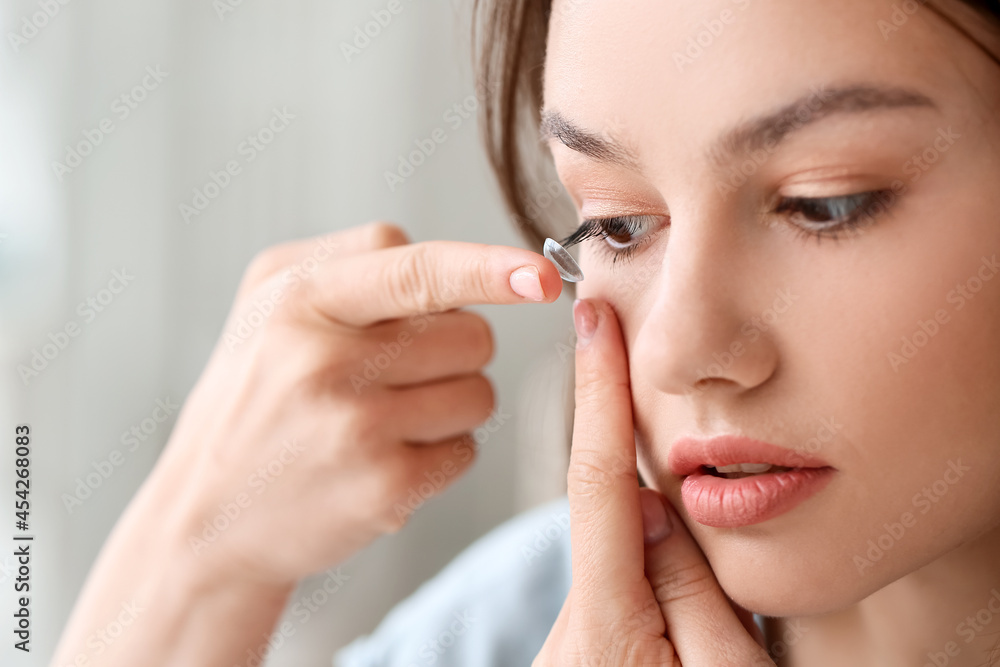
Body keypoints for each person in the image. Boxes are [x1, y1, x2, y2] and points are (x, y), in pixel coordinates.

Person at [51, 0, 1000, 665]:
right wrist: (198, 559)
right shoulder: (520, 621)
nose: (674, 349)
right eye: (617, 224)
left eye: (826, 203)